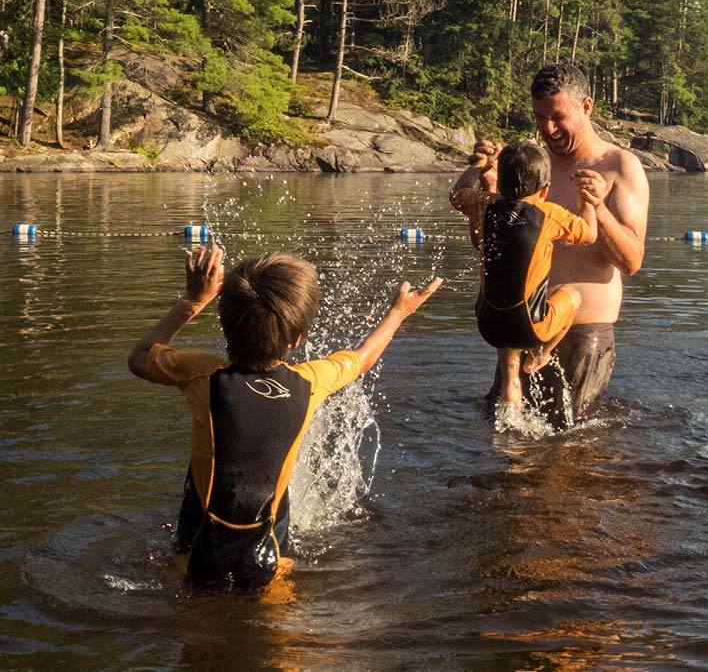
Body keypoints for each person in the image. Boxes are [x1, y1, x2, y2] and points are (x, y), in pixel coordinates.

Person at [126, 246, 442, 590]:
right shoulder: (309, 381)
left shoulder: (202, 374)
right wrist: (398, 311)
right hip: (268, 554)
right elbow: (363, 358)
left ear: (224, 321)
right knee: (276, 637)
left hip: (197, 549)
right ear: (298, 338)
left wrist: (193, 300)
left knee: (194, 622)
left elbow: (139, 357)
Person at [463, 63, 649, 429]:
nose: (547, 129)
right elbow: (486, 248)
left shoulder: (618, 167)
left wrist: (596, 207)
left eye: (558, 117)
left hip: (582, 336)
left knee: (568, 450)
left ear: (587, 106)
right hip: (523, 325)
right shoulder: (532, 167)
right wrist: (488, 186)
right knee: (505, 443)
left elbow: (632, 261)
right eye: (539, 117)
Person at [450, 141, 598, 413]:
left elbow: (457, 194)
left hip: (488, 325)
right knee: (573, 295)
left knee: (505, 300)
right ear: (545, 190)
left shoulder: (487, 204)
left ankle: (510, 391)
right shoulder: (549, 214)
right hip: (530, 329)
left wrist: (478, 167)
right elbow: (589, 233)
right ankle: (540, 356)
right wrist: (588, 201)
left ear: (503, 184)